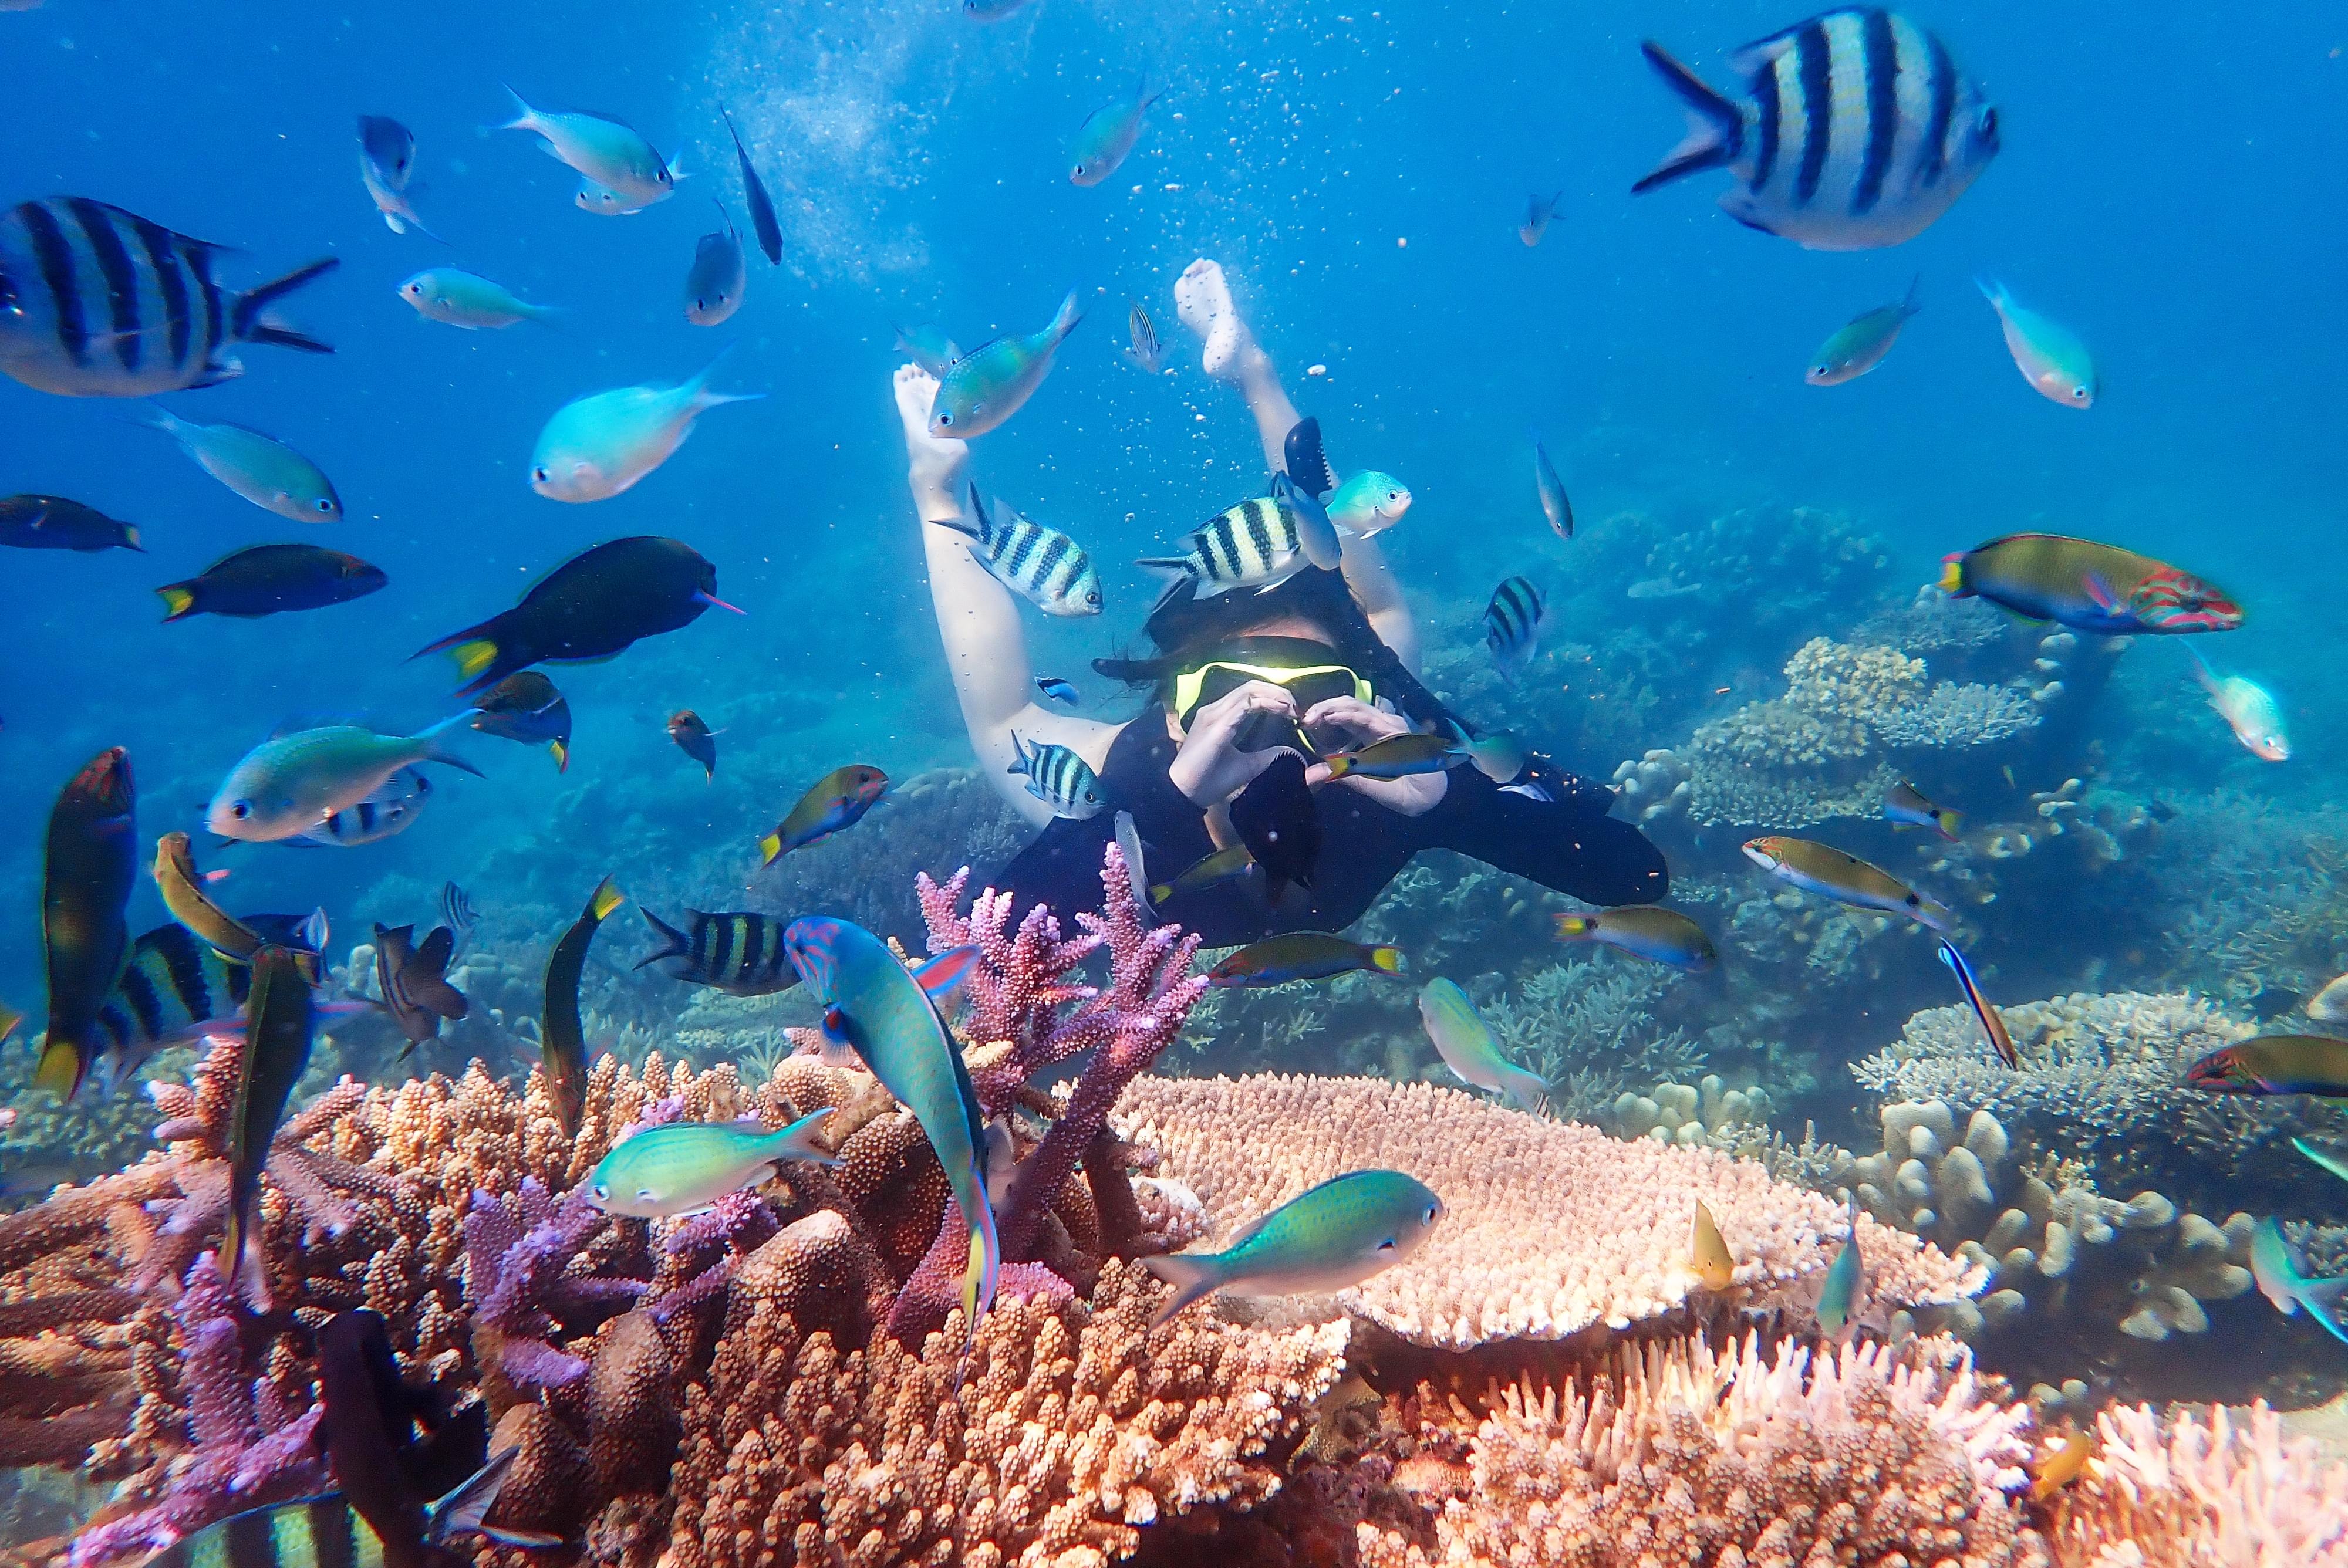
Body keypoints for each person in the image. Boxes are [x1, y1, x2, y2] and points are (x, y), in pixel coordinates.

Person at [895, 258, 1666, 946]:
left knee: (1361, 595)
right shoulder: (1143, 774)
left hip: (1357, 686)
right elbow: (988, 941)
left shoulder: (1398, 778)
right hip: (1226, 732)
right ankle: (950, 485)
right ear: (1172, 715)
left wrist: (1451, 803)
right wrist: (1162, 808)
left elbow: (1638, 880)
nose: (1281, 736)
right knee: (1011, 726)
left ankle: (1254, 379)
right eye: (1232, 701)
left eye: (1312, 698)